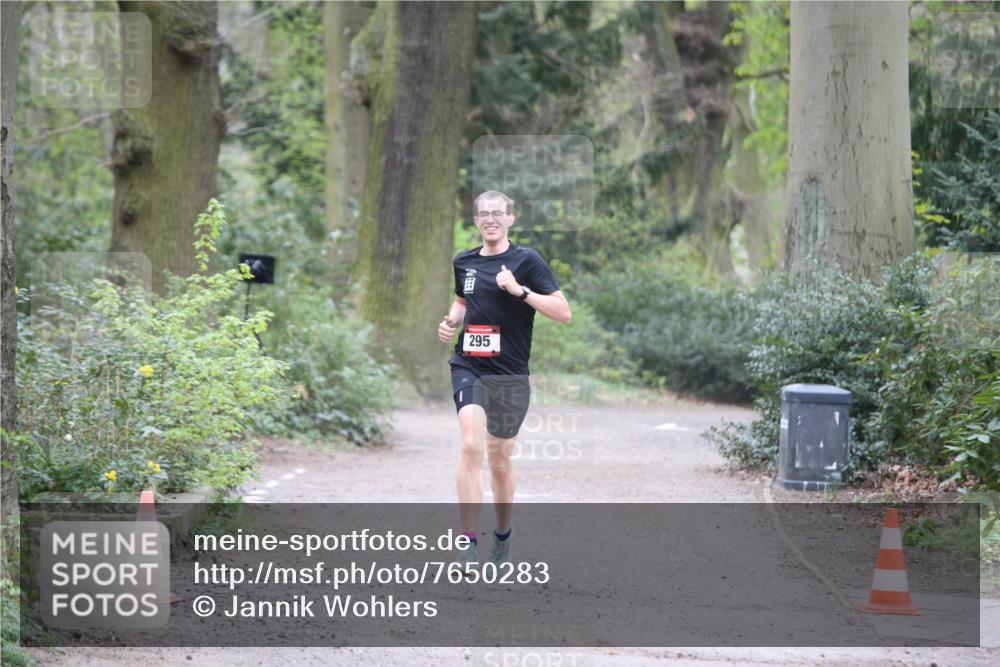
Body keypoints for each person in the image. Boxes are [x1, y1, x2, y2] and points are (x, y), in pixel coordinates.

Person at [437, 190, 571, 570]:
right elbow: (463, 302)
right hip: (470, 366)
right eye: (483, 214)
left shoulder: (526, 261)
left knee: (500, 461)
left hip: (510, 374)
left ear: (511, 218)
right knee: (469, 445)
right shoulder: (464, 262)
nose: (490, 219)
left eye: (497, 213)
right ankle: (467, 542)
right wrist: (450, 323)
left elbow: (563, 313)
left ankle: (502, 534)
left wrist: (520, 291)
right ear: (476, 220)